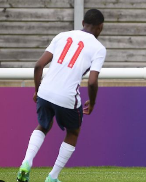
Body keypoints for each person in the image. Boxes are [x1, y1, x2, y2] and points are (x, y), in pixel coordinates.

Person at [17, 9, 106, 182]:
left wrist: (37, 90)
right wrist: (93, 102)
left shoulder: (62, 35)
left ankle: (26, 163)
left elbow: (38, 65)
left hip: (45, 91)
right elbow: (93, 81)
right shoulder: (98, 48)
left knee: (43, 125)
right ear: (100, 27)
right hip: (66, 96)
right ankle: (52, 177)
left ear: (82, 23)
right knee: (73, 131)